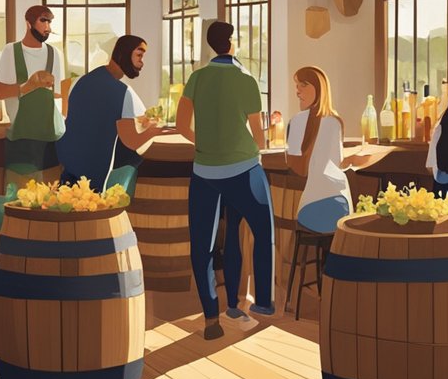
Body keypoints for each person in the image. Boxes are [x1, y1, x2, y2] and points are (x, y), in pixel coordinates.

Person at [176, 20, 274, 339]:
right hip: (243, 169)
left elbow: (181, 125)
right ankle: (259, 304)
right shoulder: (246, 78)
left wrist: (205, 144)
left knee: (203, 245)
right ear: (231, 44)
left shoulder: (197, 78)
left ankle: (211, 317)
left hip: (205, 171)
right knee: (259, 230)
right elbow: (258, 138)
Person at [56, 34, 170, 194]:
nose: (141, 62)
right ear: (123, 53)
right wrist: (154, 131)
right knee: (135, 157)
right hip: (94, 178)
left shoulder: (79, 82)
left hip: (68, 168)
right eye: (139, 55)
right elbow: (132, 141)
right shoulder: (123, 92)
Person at [286, 66, 368, 234]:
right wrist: (355, 160)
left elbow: (294, 165)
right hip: (339, 207)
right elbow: (337, 164)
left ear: (318, 88)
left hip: (308, 210)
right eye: (297, 86)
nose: (297, 91)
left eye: (303, 85)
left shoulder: (296, 121)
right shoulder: (334, 122)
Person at [0, 5, 65, 188]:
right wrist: (29, 86)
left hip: (50, 138)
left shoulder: (54, 54)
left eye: (49, 22)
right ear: (28, 23)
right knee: (20, 196)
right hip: (21, 139)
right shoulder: (11, 51)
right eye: (43, 21)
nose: (47, 27)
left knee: (51, 197)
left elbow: (58, 94)